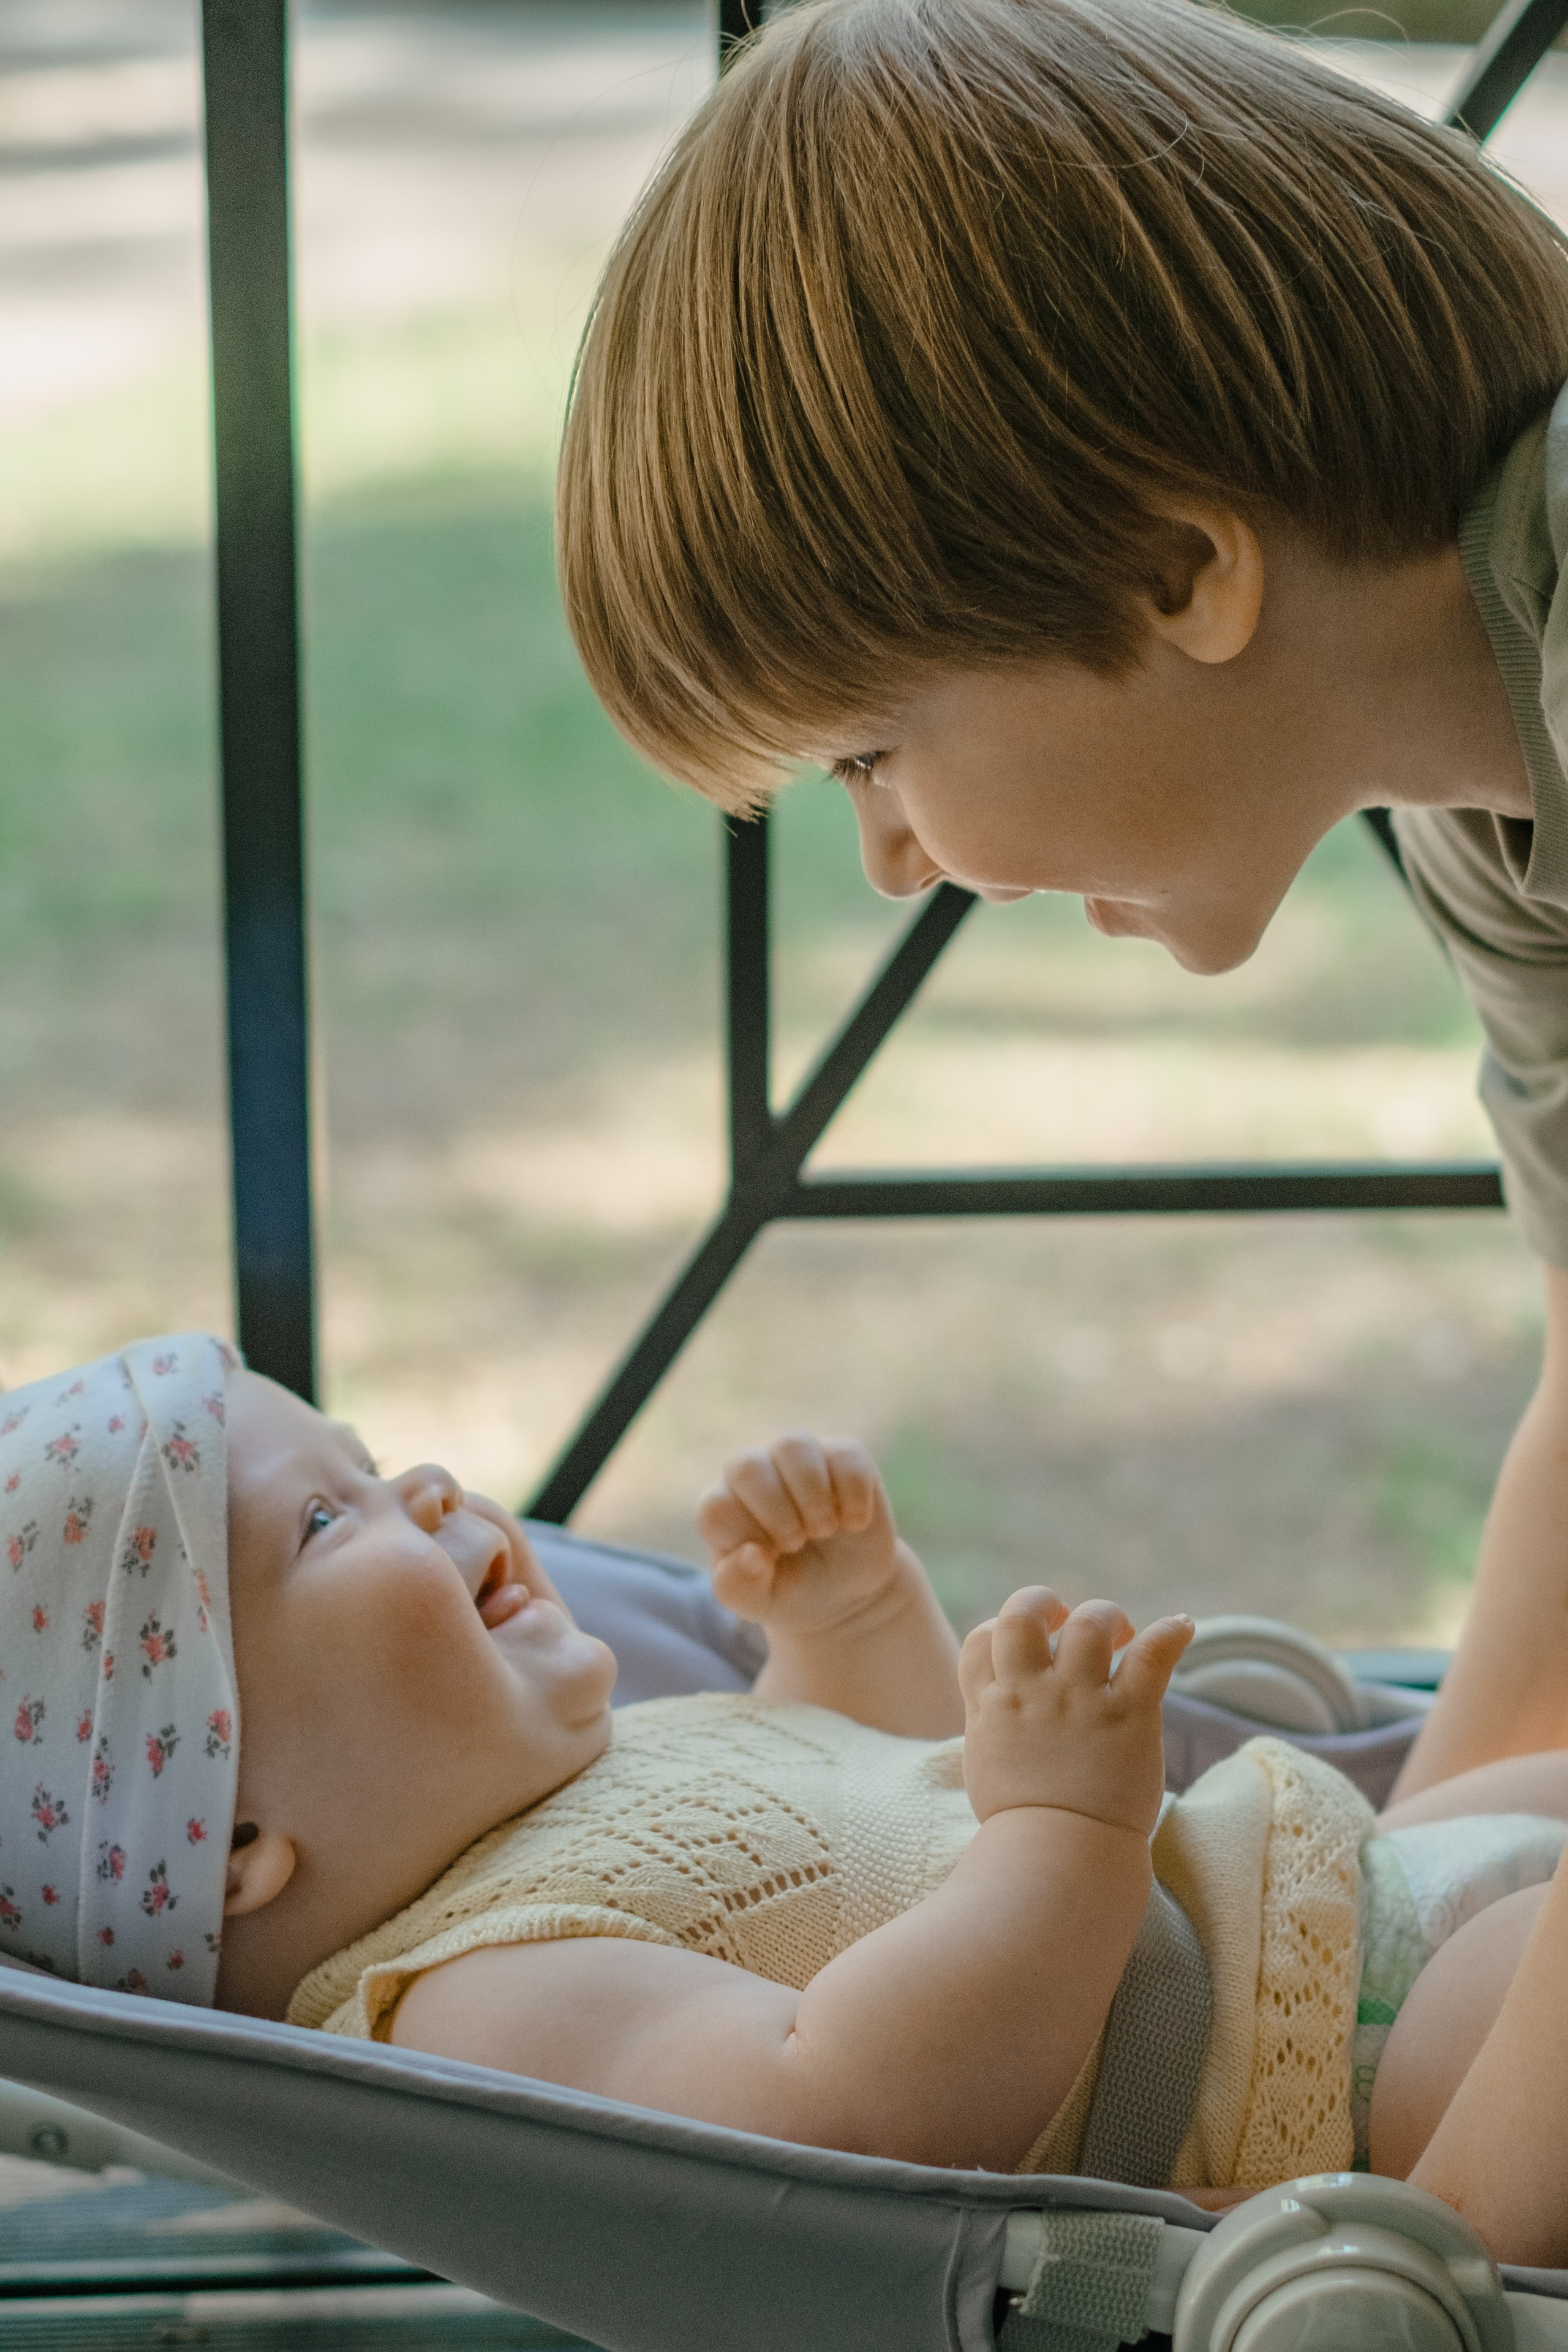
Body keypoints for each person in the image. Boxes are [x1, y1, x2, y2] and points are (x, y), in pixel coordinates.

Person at [556, 0, 1568, 1820]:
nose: (887, 858)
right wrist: (1403, 1883)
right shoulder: (1495, 818)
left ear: (1177, 570)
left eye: (870, 751)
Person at [8, 1338, 1568, 2264]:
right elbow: (846, 2104)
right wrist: (1063, 1833)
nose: (423, 1488)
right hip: (1347, 2069)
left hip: (1365, 1897)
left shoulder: (590, 1781)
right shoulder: (473, 2001)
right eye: (327, 1522)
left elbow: (863, 1802)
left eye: (367, 1458)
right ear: (231, 1849)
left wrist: (844, 1621)